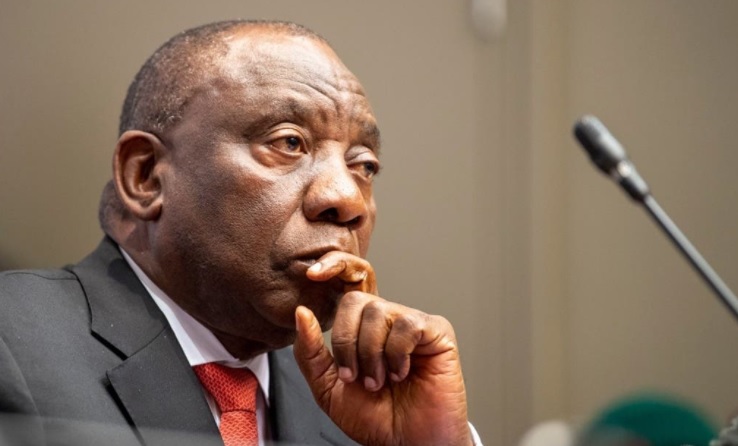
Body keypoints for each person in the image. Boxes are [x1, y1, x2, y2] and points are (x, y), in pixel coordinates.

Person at [0, 20, 478, 446]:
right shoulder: (13, 344)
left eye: (364, 165)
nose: (347, 198)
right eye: (288, 142)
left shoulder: (363, 403)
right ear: (146, 176)